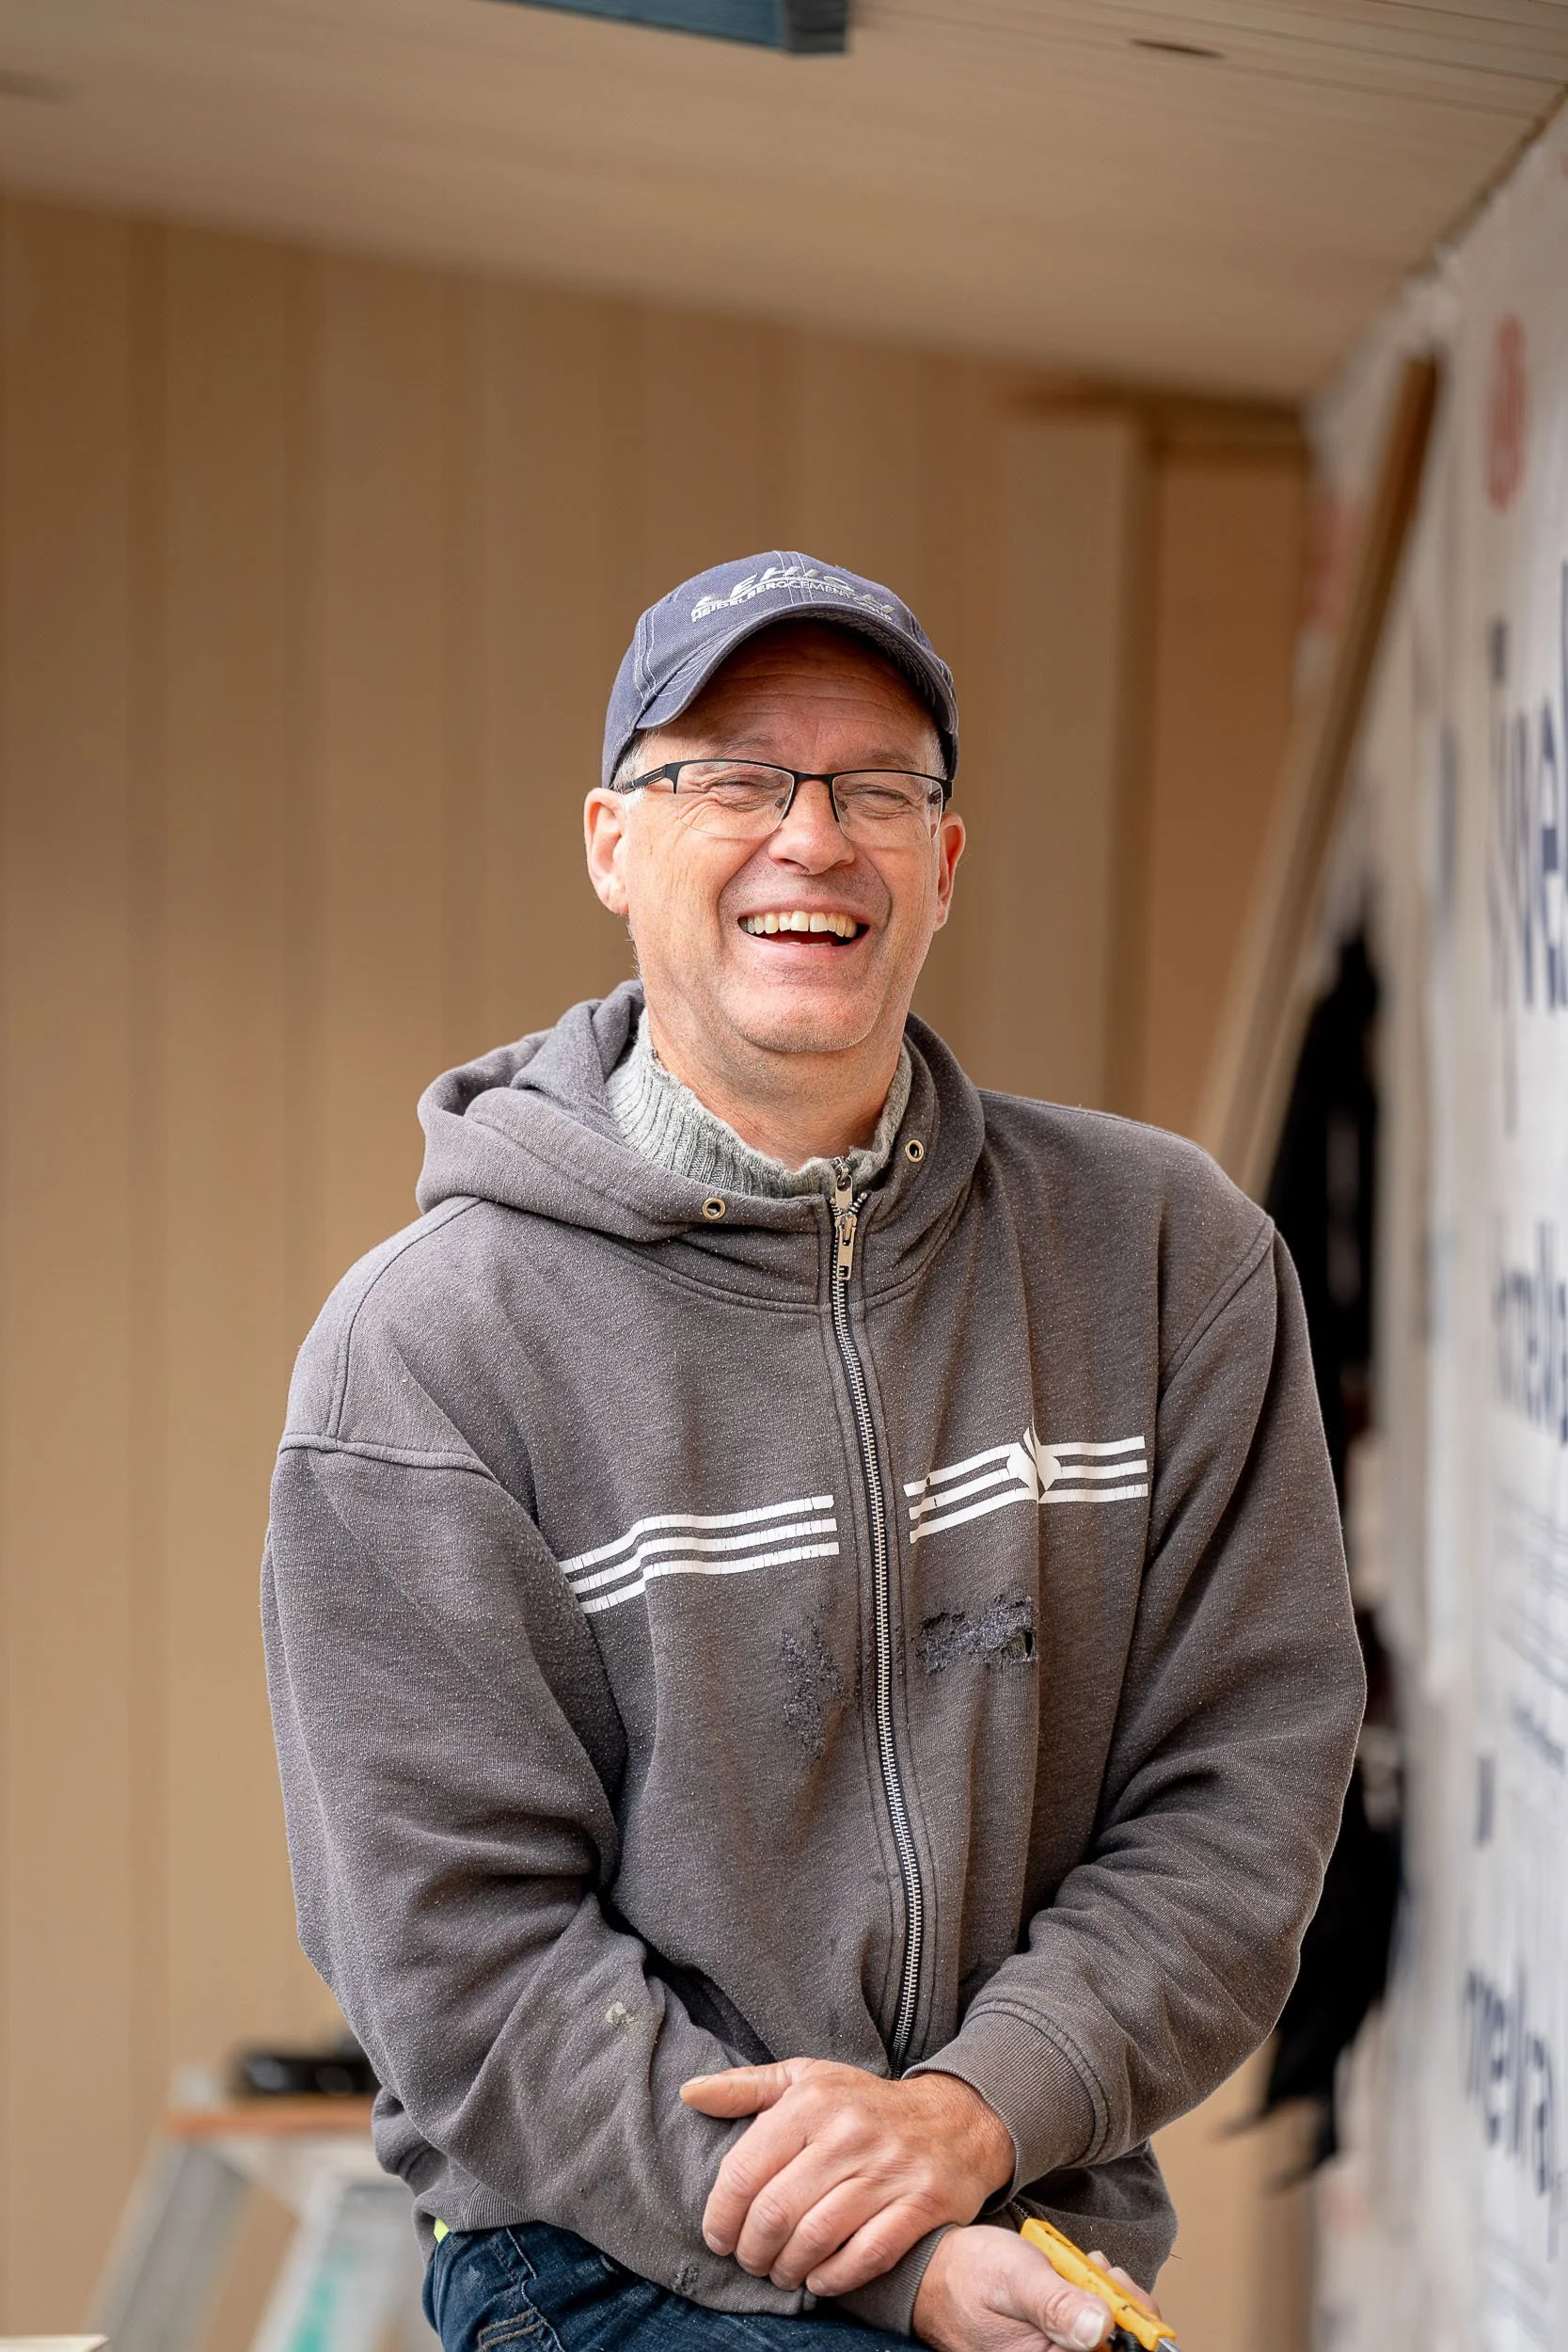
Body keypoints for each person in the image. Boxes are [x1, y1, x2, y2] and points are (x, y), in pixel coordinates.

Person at [262, 552, 1364, 2352]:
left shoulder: (1166, 1259)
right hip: (607, 2252)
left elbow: (1242, 1791)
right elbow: (456, 1955)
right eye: (734, 778)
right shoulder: (429, 1353)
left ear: (944, 860)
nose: (812, 839)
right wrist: (888, 2251)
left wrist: (972, 2114)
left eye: (876, 789)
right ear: (611, 843)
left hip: (1032, 2199)